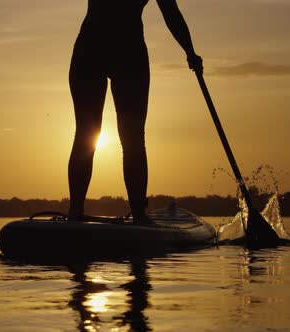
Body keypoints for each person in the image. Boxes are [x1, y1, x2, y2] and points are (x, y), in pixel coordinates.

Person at [68, 0, 203, 223]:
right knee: (88, 135)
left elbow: (171, 14)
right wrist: (190, 51)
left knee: (130, 140)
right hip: (93, 51)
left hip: (126, 54)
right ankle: (76, 211)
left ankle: (138, 213)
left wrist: (190, 52)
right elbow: (171, 13)